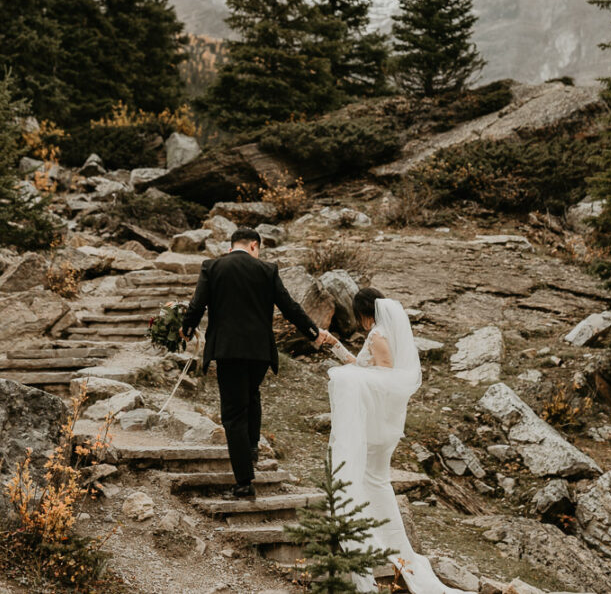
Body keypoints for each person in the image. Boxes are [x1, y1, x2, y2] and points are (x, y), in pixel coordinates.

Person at [327, 288, 467, 594]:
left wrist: (344, 376)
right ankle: (388, 540)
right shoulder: (384, 334)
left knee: (372, 480)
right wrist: (337, 349)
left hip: (375, 427)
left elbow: (384, 378)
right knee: (377, 481)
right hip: (383, 426)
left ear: (364, 312)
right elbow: (367, 368)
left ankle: (377, 539)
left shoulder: (378, 335)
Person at [181, 226, 334, 499]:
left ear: (232, 245)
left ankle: (243, 483)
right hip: (260, 352)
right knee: (251, 396)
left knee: (233, 413)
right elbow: (290, 306)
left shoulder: (212, 267)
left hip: (228, 350)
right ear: (254, 245)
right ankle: (250, 447)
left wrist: (186, 328)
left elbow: (197, 305)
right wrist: (313, 332)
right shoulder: (267, 270)